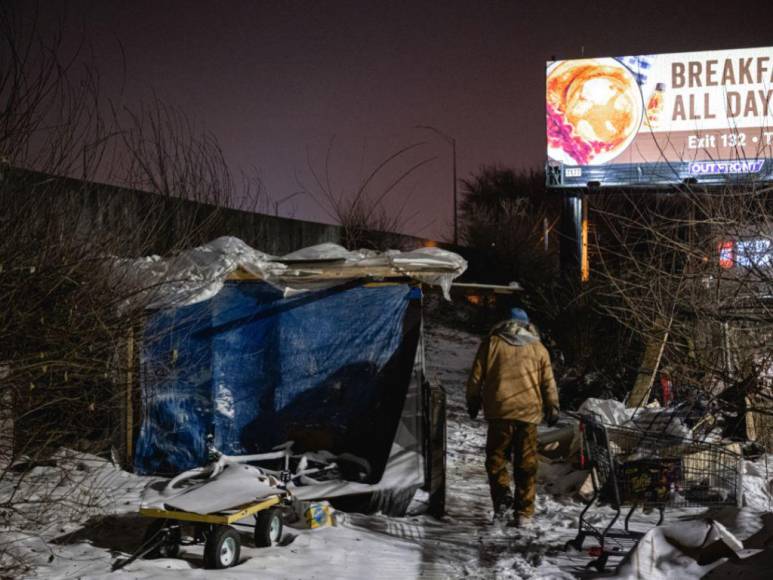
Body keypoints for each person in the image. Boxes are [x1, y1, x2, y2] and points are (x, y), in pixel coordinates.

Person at [466, 307, 559, 527]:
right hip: (528, 415)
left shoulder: (492, 344)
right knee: (526, 464)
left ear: (504, 323)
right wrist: (552, 406)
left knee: (496, 460)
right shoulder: (539, 349)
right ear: (527, 325)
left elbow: (476, 377)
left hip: (500, 412)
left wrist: (473, 401)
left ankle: (502, 501)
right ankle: (524, 513)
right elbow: (548, 381)